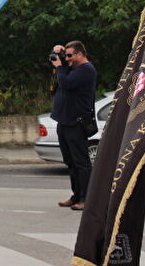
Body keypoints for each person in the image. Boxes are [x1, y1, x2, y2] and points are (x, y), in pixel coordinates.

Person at [50, 40, 96, 212]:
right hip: (65, 122)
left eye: (69, 56)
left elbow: (66, 83)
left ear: (80, 54)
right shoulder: (72, 68)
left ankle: (86, 199)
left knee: (81, 163)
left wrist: (59, 67)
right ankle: (76, 195)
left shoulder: (86, 70)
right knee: (70, 162)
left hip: (76, 123)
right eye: (66, 55)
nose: (66, 59)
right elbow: (62, 75)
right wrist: (57, 51)